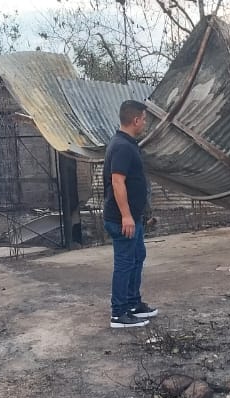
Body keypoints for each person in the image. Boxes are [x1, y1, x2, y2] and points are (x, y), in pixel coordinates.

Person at [103, 100, 158, 329]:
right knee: (125, 263)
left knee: (137, 257)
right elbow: (117, 181)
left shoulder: (127, 143)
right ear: (135, 120)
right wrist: (126, 215)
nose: (145, 123)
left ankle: (133, 304)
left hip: (132, 218)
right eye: (144, 119)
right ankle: (119, 313)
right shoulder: (122, 146)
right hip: (121, 219)